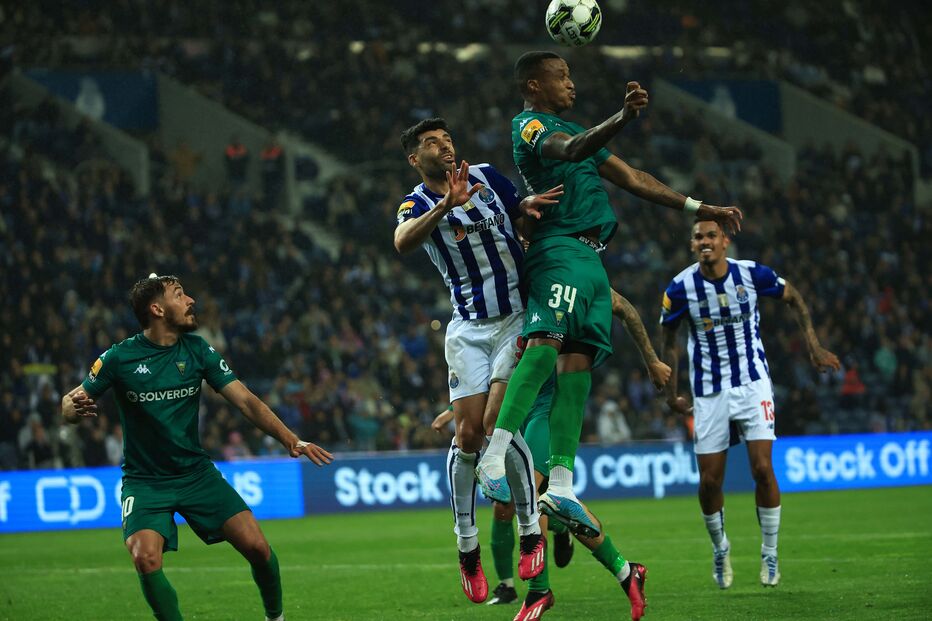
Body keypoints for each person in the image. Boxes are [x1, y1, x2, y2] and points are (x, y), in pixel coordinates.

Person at [476, 50, 741, 553]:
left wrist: (700, 206)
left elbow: (635, 178)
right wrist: (621, 117)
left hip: (591, 259)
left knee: (578, 363)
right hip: (559, 248)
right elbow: (572, 148)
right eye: (561, 76)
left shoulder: (576, 130)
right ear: (533, 85)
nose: (571, 83)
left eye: (571, 75)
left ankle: (560, 485)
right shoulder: (530, 125)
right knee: (546, 343)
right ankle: (494, 456)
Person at [61, 275, 333, 621]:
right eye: (180, 295)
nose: (191, 300)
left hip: (196, 475)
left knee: (258, 548)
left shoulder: (197, 350)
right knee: (145, 558)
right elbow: (71, 403)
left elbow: (246, 402)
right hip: (146, 482)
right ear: (157, 309)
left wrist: (291, 439)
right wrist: (71, 409)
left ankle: (275, 618)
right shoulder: (119, 358)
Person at [394, 117, 563, 604]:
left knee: (499, 422)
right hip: (468, 328)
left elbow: (519, 215)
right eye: (432, 143)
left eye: (447, 139)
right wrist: (448, 203)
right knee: (467, 435)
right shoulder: (417, 202)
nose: (444, 147)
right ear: (415, 158)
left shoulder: (488, 176)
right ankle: (467, 548)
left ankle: (532, 532)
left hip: (514, 318)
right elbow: (403, 242)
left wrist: (526, 206)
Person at [433, 290, 671, 620]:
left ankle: (538, 592)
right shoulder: (511, 284)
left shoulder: (563, 278)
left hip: (544, 408)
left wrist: (651, 359)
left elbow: (623, 307)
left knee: (527, 491)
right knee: (519, 502)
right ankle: (621, 568)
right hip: (511, 411)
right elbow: (494, 358)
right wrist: (454, 407)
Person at [659, 219, 840, 589]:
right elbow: (669, 341)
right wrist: (672, 393)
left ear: (725, 240)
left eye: (711, 236)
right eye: (698, 237)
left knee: (762, 469)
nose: (705, 242)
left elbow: (794, 298)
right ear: (692, 245)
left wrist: (814, 346)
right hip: (708, 392)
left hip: (753, 384)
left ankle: (770, 553)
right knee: (710, 481)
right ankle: (720, 547)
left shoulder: (753, 274)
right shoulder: (680, 288)